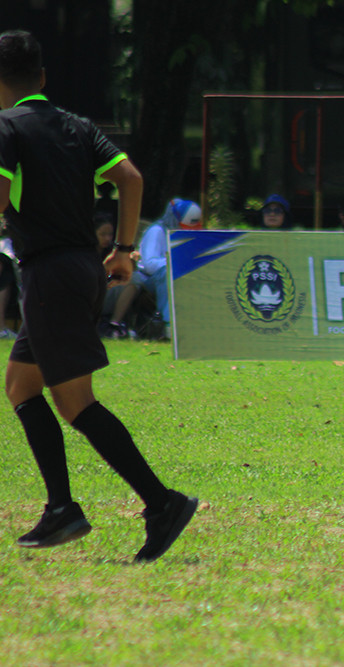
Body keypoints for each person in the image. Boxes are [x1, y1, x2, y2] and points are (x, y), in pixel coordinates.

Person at [0, 30, 197, 561]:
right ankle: (61, 507)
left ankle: (162, 503)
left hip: (49, 277)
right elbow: (130, 177)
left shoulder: (5, 129)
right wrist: (125, 250)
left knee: (74, 402)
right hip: (83, 269)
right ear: (42, 78)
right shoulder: (79, 126)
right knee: (20, 385)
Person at [126, 197, 202, 334]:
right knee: (166, 272)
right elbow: (149, 265)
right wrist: (176, 261)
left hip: (178, 274)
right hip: (148, 279)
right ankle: (169, 324)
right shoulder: (157, 231)